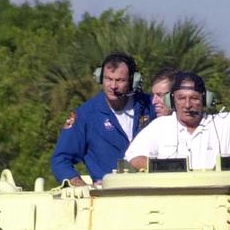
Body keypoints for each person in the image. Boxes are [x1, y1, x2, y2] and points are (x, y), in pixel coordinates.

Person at [51, 52, 156, 186]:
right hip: (107, 197)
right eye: (108, 79)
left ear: (133, 81)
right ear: (100, 77)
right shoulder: (85, 115)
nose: (112, 86)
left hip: (150, 190)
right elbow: (60, 159)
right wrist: (81, 186)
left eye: (119, 80)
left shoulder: (150, 106)